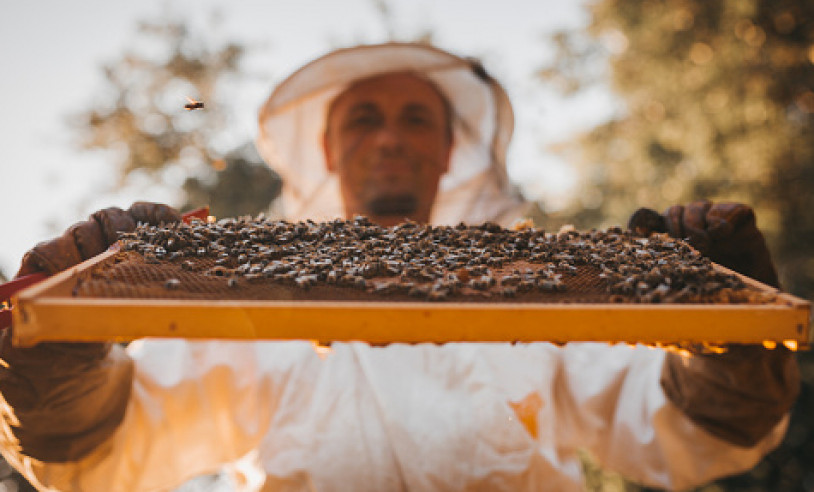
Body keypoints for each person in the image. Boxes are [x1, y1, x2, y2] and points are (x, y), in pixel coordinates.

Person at [0, 43, 799, 491]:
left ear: (448, 149)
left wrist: (729, 348)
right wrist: (55, 364)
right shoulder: (234, 294)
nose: (389, 137)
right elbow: (107, 460)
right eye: (365, 119)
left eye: (416, 118)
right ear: (329, 148)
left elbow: (678, 438)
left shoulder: (533, 285)